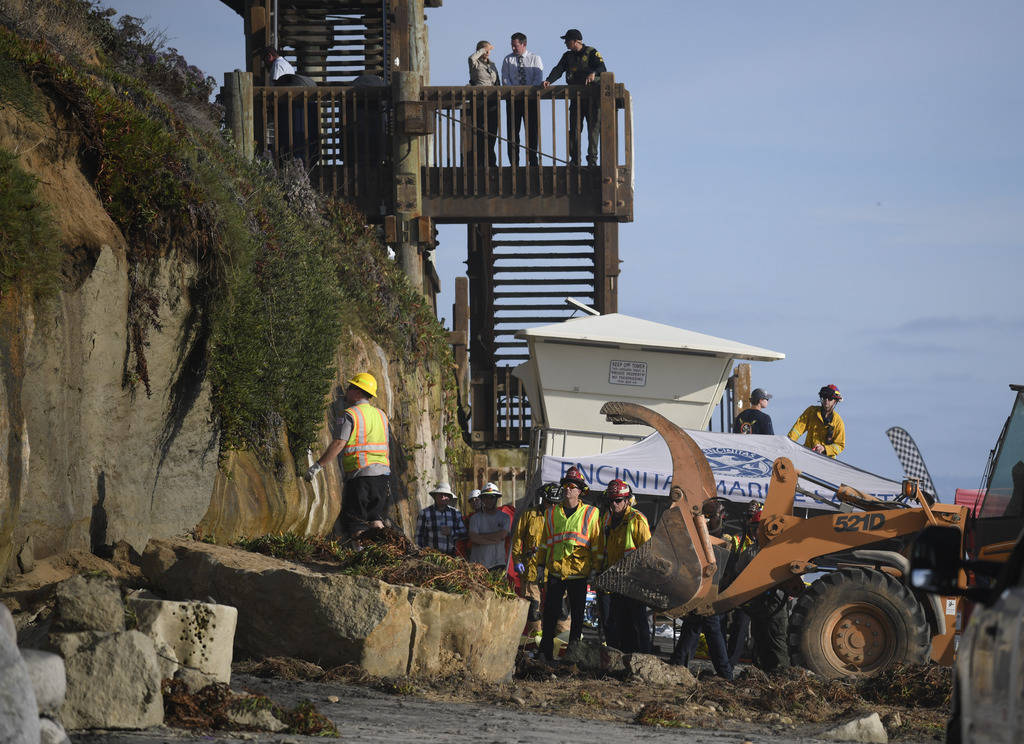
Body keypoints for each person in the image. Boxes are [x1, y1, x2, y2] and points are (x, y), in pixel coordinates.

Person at [306, 373, 390, 537]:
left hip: (361, 476)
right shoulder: (381, 415)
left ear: (357, 392)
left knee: (355, 521)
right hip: (382, 476)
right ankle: (384, 552)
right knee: (375, 518)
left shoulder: (350, 414)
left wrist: (317, 466)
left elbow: (339, 443)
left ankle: (360, 555)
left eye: (350, 388)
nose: (346, 391)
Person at [536, 467, 601, 662]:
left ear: (580, 491)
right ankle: (545, 651)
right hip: (556, 572)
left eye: (572, 486)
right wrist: (540, 566)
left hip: (579, 573)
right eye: (565, 485)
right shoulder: (552, 512)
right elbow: (545, 542)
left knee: (577, 618)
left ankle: (573, 654)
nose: (567, 489)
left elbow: (596, 544)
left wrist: (596, 570)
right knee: (550, 614)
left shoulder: (591, 513)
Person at [668, 499, 734, 679]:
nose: (705, 521)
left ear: (721, 518)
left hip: (712, 591)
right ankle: (678, 663)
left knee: (711, 629)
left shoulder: (723, 541)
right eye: (704, 516)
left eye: (710, 516)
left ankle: (725, 673)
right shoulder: (700, 537)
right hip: (700, 589)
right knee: (693, 625)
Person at [597, 479, 652, 653]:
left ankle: (645, 660)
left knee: (639, 624)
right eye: (611, 500)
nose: (614, 504)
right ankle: (626, 661)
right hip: (616, 582)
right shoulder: (607, 519)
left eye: (618, 500)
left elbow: (648, 553)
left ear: (628, 500)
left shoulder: (637, 520)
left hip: (635, 583)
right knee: (621, 625)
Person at [735, 506, 791, 673]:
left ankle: (779, 677)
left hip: (774, 604)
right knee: (761, 642)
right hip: (760, 605)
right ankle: (765, 676)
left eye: (756, 529)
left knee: (775, 642)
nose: (754, 533)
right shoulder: (754, 551)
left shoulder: (775, 551)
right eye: (753, 529)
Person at [542, 29, 606, 167]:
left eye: (567, 40)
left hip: (591, 99)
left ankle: (592, 160)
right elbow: (558, 69)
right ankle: (575, 159)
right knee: (575, 129)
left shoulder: (591, 52)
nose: (565, 43)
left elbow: (602, 67)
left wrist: (594, 73)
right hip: (576, 98)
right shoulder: (567, 56)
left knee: (593, 129)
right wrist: (549, 80)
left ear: (575, 41)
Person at [512, 483, 552, 640]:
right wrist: (516, 560)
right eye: (550, 502)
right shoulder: (529, 515)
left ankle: (562, 641)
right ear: (544, 500)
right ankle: (536, 639)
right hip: (531, 567)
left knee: (558, 608)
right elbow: (517, 538)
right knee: (532, 607)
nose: (553, 506)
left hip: (554, 570)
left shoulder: (560, 517)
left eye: (556, 503)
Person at [500, 32, 543, 166]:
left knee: (532, 130)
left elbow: (538, 77)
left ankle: (533, 160)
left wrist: (528, 92)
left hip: (530, 99)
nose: (513, 48)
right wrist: (514, 92)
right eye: (512, 46)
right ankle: (514, 161)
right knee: (513, 131)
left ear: (524, 44)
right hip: (513, 99)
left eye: (515, 46)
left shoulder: (535, 58)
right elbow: (505, 78)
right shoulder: (508, 60)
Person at [788, 384, 846, 458]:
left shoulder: (838, 422)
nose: (826, 400)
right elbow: (796, 430)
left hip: (827, 461)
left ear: (835, 401)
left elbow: (840, 445)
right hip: (807, 456)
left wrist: (824, 448)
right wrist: (788, 444)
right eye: (824, 397)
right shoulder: (811, 412)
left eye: (830, 398)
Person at [468, 40, 500, 167]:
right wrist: (483, 49)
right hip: (479, 99)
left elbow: (497, 82)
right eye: (485, 50)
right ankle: (480, 161)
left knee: (492, 130)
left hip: (492, 100)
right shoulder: (474, 63)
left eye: (489, 50)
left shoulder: (492, 65)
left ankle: (491, 161)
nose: (487, 52)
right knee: (480, 130)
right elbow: (471, 57)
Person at [415, 482, 468, 556]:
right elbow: (419, 536)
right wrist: (421, 553)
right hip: (431, 556)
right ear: (435, 496)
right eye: (441, 494)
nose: (443, 497)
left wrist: (451, 532)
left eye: (446, 495)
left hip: (451, 557)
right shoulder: (425, 513)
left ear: (449, 498)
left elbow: (464, 534)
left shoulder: (455, 513)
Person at [469, 482, 511, 572]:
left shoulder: (505, 518)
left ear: (496, 498)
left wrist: (481, 536)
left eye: (492, 497)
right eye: (486, 497)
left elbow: (502, 535)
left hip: (497, 563)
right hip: (478, 564)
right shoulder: (475, 518)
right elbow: (474, 538)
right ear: (482, 499)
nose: (489, 500)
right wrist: (495, 538)